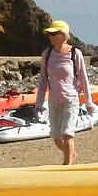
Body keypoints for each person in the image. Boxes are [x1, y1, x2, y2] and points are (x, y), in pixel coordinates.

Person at [34, 19, 94, 164]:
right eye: (49, 34)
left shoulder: (75, 53)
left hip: (71, 100)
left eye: (53, 34)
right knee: (56, 137)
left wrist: (88, 102)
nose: (50, 37)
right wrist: (38, 105)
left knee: (67, 134)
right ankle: (71, 154)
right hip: (54, 101)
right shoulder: (47, 54)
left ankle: (67, 166)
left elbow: (83, 79)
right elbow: (42, 81)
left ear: (63, 35)